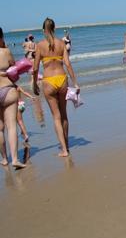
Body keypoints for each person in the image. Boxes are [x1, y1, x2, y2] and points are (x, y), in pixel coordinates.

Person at [33, 18, 77, 157]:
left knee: (56, 117)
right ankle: (67, 146)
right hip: (62, 79)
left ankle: (63, 150)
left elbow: (34, 68)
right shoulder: (61, 43)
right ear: (54, 28)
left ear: (43, 30)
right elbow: (68, 64)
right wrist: (75, 82)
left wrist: (34, 83)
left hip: (49, 82)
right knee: (64, 115)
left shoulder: (40, 45)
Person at [0, 28, 29, 168]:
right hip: (7, 90)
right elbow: (14, 66)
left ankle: (4, 159)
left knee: (0, 128)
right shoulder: (5, 51)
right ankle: (15, 160)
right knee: (11, 126)